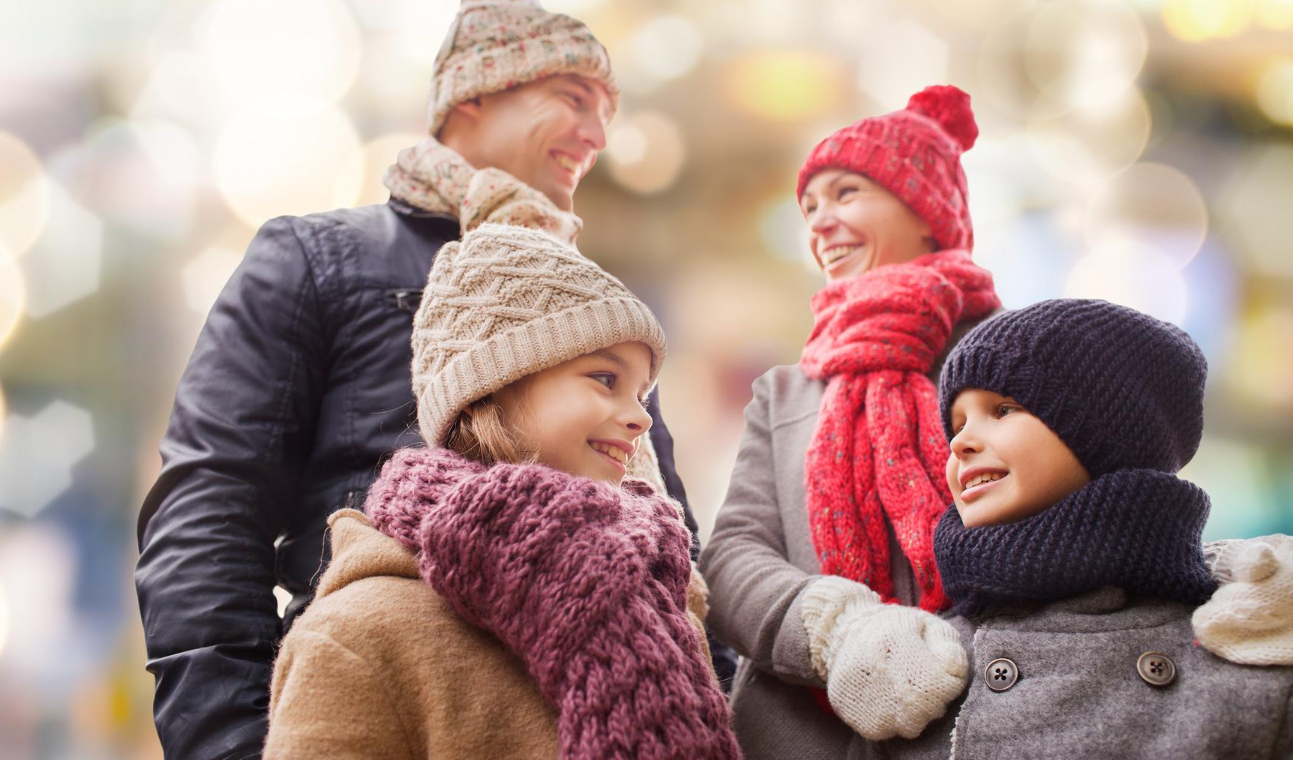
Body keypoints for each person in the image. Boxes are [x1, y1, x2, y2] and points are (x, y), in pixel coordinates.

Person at [135, 0, 703, 760]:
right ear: (473, 97)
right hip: (387, 709)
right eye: (573, 99)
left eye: (607, 113)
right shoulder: (318, 259)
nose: (597, 135)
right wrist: (237, 745)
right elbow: (210, 508)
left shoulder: (595, 310)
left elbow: (672, 532)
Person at [700, 86, 1293, 758]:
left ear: (926, 208)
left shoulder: (1017, 355)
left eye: (846, 194)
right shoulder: (789, 390)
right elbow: (731, 556)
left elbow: (1103, 513)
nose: (821, 221)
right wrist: (838, 632)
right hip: (803, 727)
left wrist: (1218, 572)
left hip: (976, 701)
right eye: (810, 205)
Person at [263, 223, 740, 760]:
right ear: (493, 386)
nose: (639, 418)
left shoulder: (661, 598)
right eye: (605, 378)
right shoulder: (359, 636)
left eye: (642, 394)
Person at [832, 298, 1293, 758]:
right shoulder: (919, 671)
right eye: (956, 422)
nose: (960, 442)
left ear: (1110, 431)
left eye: (1004, 409)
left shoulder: (1249, 643)